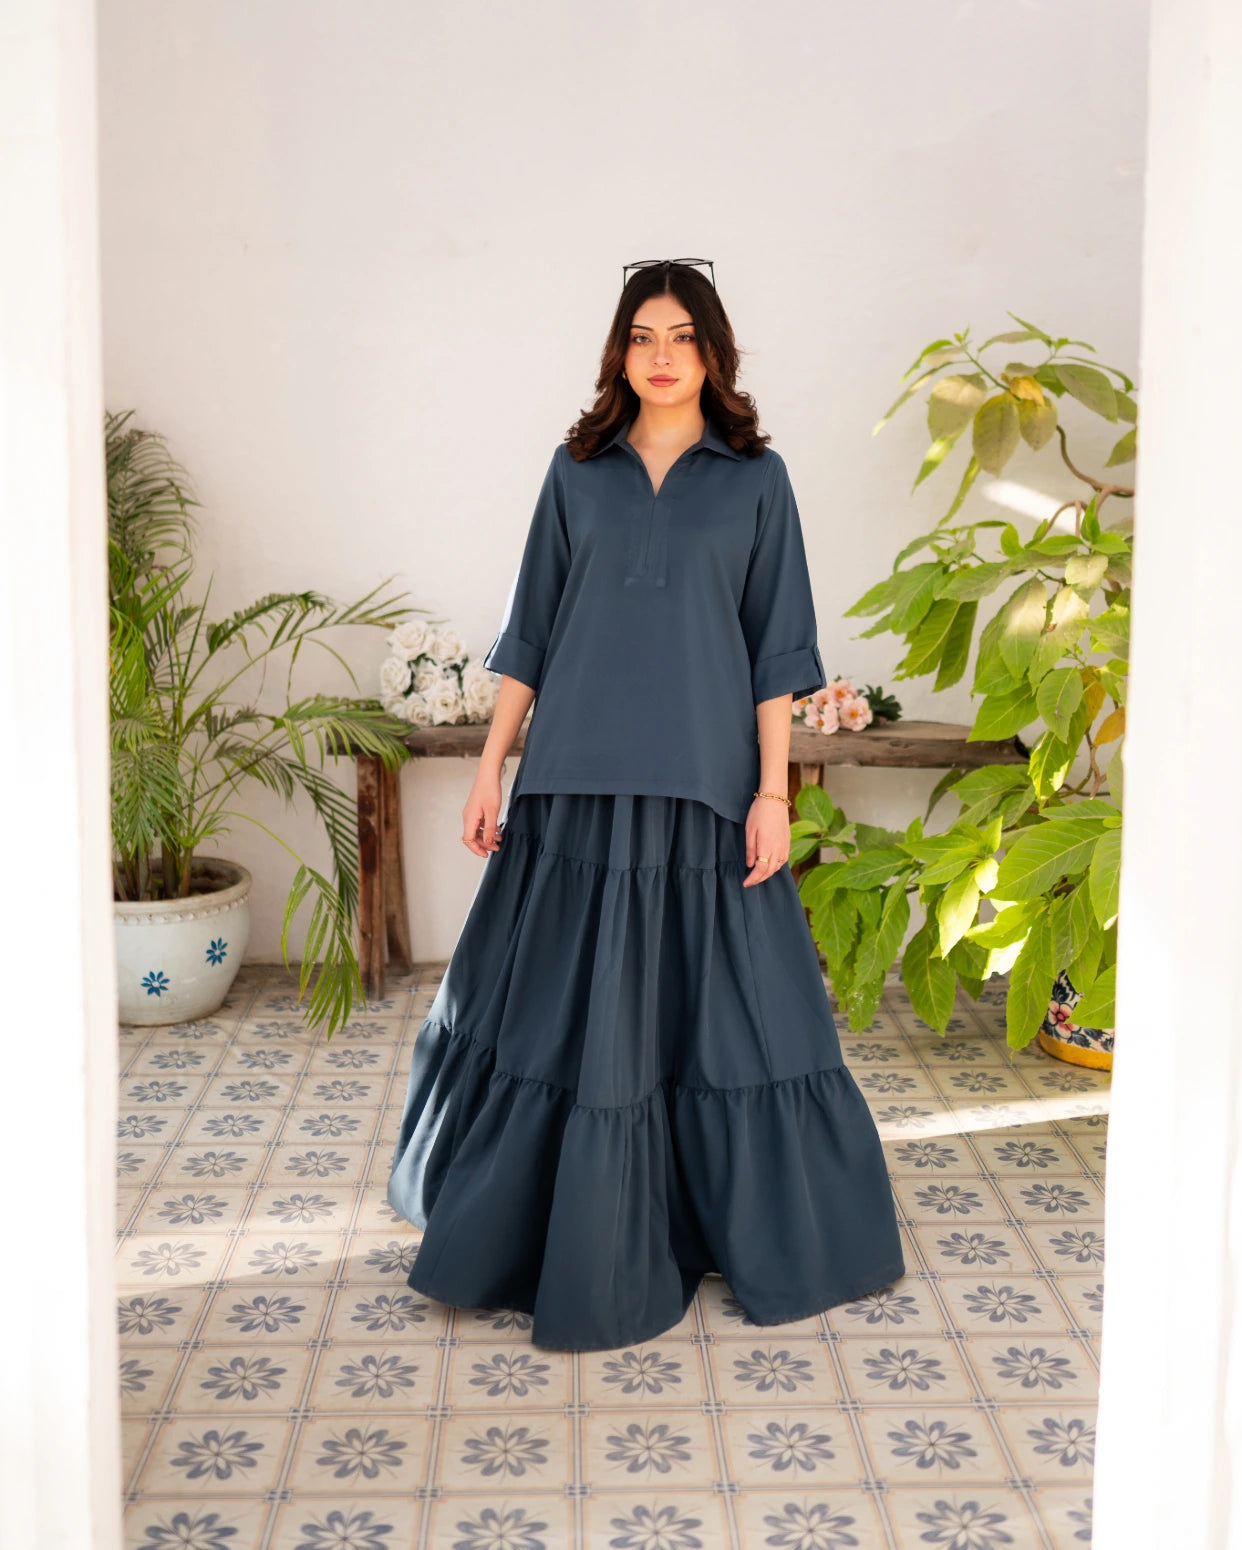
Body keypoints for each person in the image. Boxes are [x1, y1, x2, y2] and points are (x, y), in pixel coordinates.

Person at [386, 258, 906, 1351]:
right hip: (574, 778)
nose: (661, 356)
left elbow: (778, 652)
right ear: (618, 352)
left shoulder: (757, 480)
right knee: (553, 1018)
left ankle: (724, 1214)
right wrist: (491, 764)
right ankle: (538, 1221)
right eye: (641, 336)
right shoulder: (576, 471)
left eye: (682, 336)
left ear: (715, 352)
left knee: (732, 1020)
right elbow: (530, 631)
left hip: (708, 787)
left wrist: (774, 792)